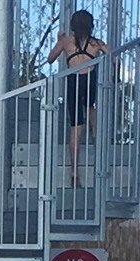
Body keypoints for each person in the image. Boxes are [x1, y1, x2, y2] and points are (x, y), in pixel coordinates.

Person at [42, 10, 108, 186]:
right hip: (89, 81)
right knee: (91, 106)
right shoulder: (96, 43)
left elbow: (50, 59)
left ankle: (74, 172)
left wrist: (59, 42)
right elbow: (114, 58)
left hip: (73, 82)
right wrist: (115, 75)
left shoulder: (66, 41)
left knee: (76, 126)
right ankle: (96, 136)